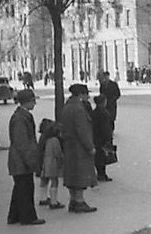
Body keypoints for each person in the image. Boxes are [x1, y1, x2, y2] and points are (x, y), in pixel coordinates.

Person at [7, 89, 45, 225]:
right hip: (20, 161)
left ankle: (14, 216)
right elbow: (21, 143)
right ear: (27, 102)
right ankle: (28, 217)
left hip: (19, 160)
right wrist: (31, 161)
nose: (34, 103)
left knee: (20, 188)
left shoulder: (22, 116)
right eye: (33, 101)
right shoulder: (20, 118)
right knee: (25, 189)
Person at [61, 83, 98, 213]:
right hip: (79, 148)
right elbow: (82, 130)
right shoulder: (79, 109)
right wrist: (90, 147)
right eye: (86, 93)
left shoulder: (67, 107)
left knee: (72, 175)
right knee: (80, 175)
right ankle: (79, 201)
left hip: (69, 146)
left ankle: (73, 201)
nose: (88, 96)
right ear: (81, 94)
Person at [37, 119, 64, 209]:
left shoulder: (43, 139)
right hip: (53, 163)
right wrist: (61, 162)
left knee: (44, 180)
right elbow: (58, 153)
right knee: (54, 181)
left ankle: (43, 198)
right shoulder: (55, 141)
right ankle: (54, 201)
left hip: (45, 162)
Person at [92, 94, 114, 182]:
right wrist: (109, 138)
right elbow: (106, 127)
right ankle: (102, 174)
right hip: (102, 138)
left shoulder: (94, 113)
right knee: (104, 156)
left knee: (98, 156)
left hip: (95, 136)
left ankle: (100, 173)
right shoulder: (104, 113)